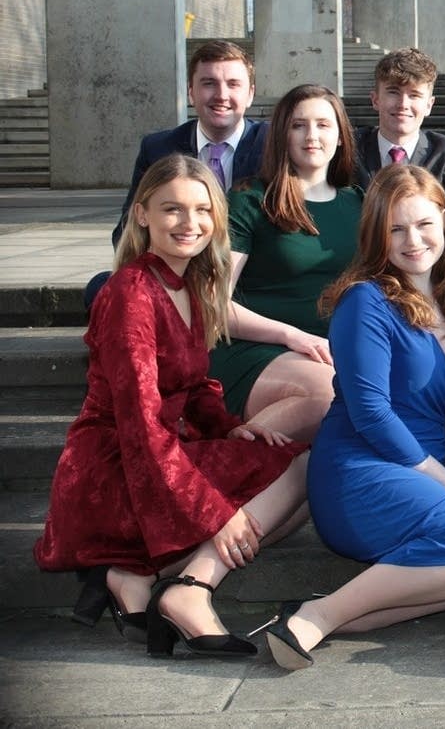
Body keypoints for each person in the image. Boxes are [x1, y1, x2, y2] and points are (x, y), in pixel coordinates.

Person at [258, 165, 445, 672]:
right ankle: (318, 616)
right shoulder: (364, 300)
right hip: (360, 470)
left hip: (428, 469)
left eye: (424, 225)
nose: (413, 241)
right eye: (396, 228)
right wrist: (444, 480)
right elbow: (370, 412)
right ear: (376, 234)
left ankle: (354, 620)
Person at [36, 154, 309, 659]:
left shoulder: (190, 286)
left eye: (203, 210)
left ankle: (134, 575)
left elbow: (196, 385)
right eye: (172, 210)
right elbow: (138, 421)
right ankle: (190, 592)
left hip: (158, 454)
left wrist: (229, 431)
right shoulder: (129, 293)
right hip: (113, 470)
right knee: (301, 466)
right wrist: (211, 512)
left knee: (299, 480)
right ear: (142, 215)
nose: (190, 224)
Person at [207, 84, 362, 443]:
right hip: (257, 352)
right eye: (298, 125)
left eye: (324, 124)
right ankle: (227, 456)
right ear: (282, 135)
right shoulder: (250, 200)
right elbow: (213, 305)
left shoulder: (361, 202)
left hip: (332, 353)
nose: (312, 135)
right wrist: (291, 336)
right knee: (331, 393)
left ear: (341, 137)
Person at [87, 41, 266, 308]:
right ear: (191, 93)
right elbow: (129, 227)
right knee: (102, 288)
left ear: (250, 94)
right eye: (208, 83)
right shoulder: (158, 148)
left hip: (248, 279)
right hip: (176, 272)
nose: (221, 94)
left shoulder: (273, 145)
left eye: (233, 84)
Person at [352, 47, 445, 208]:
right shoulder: (352, 148)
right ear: (375, 100)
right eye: (393, 92)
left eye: (414, 95)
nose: (403, 104)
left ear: (429, 105)